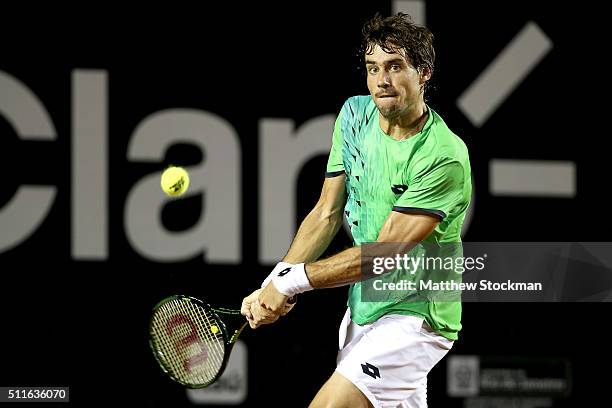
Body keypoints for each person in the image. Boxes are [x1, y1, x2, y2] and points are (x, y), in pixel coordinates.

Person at [241, 12, 472, 408]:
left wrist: (291, 284)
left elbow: (383, 254)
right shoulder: (354, 115)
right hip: (363, 310)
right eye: (372, 68)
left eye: (395, 66)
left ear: (424, 73)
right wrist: (273, 281)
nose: (382, 80)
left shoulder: (443, 156)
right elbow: (326, 213)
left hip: (416, 316)